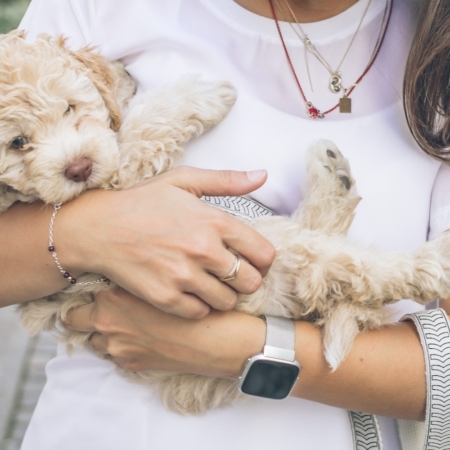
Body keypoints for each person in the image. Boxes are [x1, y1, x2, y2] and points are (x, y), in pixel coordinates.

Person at [1, 0, 449, 448]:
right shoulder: (89, 10)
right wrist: (87, 232)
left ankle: (354, 259)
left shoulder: (437, 36)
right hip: (105, 431)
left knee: (296, 261)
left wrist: (240, 347)